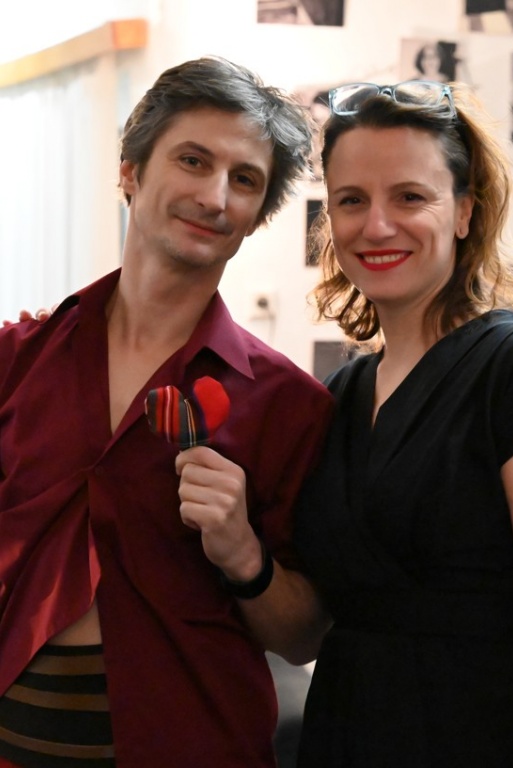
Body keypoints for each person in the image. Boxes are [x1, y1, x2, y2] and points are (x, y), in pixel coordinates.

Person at [0, 56, 334, 768]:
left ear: (256, 215)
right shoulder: (16, 359)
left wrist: (243, 555)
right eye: (193, 160)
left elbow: (303, 637)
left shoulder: (291, 406)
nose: (214, 197)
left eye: (244, 180)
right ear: (130, 171)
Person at [290, 80, 513, 766]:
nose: (377, 226)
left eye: (410, 197)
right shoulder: (337, 397)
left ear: (465, 211)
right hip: (342, 733)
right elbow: (304, 631)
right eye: (351, 200)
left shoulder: (502, 366)